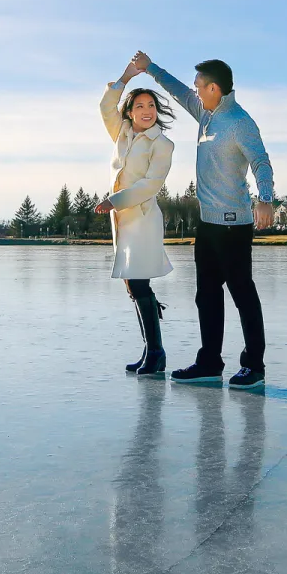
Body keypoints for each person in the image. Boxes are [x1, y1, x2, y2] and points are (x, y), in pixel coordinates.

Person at [129, 51, 274, 390]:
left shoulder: (239, 122)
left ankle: (254, 366)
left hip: (233, 225)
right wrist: (150, 68)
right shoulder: (205, 113)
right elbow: (178, 91)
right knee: (206, 295)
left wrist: (265, 199)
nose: (194, 90)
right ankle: (210, 362)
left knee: (242, 294)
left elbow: (261, 161)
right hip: (208, 225)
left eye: (199, 86)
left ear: (213, 88)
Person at [96, 61, 177, 376]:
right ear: (129, 112)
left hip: (142, 219)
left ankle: (156, 353)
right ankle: (151, 350)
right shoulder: (122, 133)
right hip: (122, 221)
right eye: (140, 106)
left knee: (139, 283)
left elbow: (151, 184)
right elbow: (106, 107)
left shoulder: (162, 144)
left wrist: (114, 201)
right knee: (133, 285)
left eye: (151, 106)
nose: (147, 111)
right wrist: (127, 76)